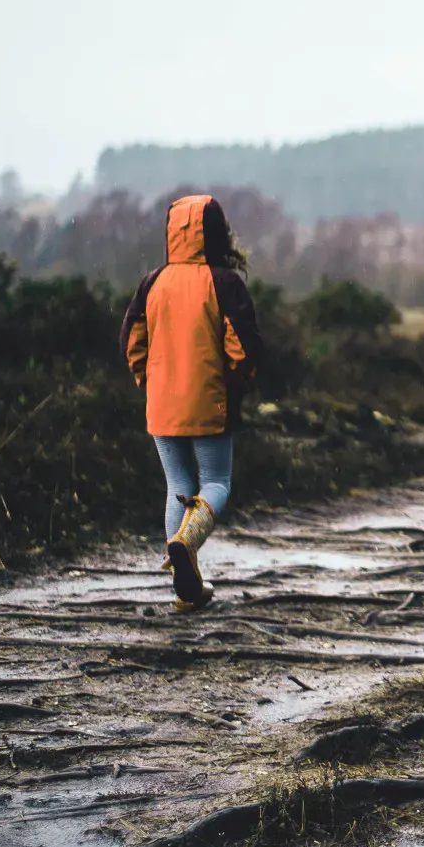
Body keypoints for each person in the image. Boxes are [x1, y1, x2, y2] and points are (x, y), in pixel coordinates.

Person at [118, 194, 264, 612]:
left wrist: (149, 379)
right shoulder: (224, 282)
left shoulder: (153, 282)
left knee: (177, 486)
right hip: (210, 401)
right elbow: (243, 348)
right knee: (216, 483)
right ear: (217, 233)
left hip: (162, 404)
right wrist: (235, 384)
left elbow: (132, 340)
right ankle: (186, 542)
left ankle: (184, 590)